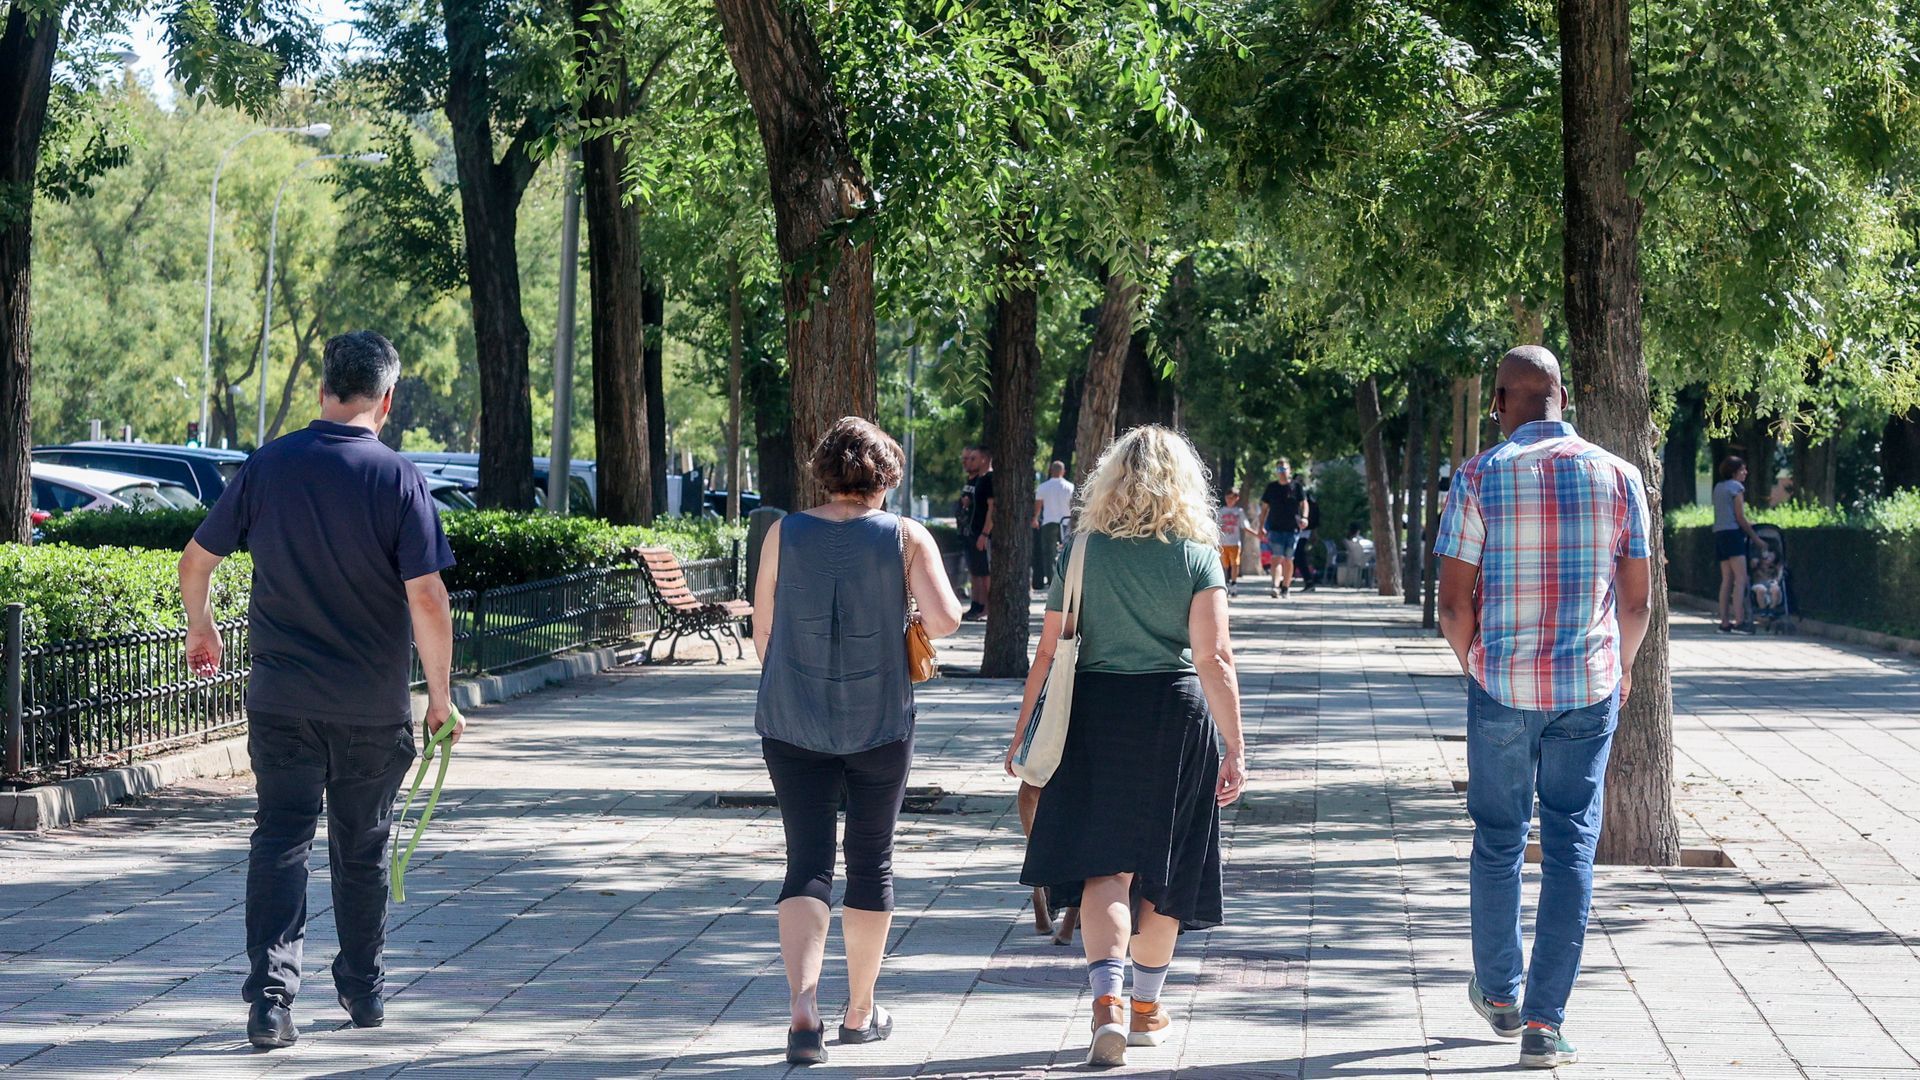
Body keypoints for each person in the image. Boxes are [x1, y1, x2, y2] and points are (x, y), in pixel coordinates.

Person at [176, 331, 461, 1050]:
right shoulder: (398, 478)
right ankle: (363, 990)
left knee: (280, 839)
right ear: (387, 400)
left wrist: (201, 631)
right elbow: (427, 597)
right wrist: (439, 697)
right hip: (370, 707)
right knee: (361, 847)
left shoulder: (267, 466)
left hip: (281, 700)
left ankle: (270, 1004)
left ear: (323, 390)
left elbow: (196, 561)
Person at [1434, 346, 1653, 1070]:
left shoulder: (1477, 477)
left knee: (1499, 838)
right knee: (1570, 848)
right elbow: (1638, 601)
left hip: (1501, 683)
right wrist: (1618, 668)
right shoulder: (1622, 477)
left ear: (1499, 400)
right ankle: (1543, 1024)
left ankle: (1499, 993)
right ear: (1564, 397)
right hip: (1587, 688)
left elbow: (1452, 604)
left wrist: (1479, 667)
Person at [1009, 425, 1247, 1068]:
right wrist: (1235, 744)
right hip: (1174, 714)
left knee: (1103, 868)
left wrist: (1024, 728)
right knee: (1166, 865)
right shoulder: (1197, 555)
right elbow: (1214, 658)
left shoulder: (1081, 550)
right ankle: (1146, 1008)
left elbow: (1049, 648)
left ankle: (1106, 1005)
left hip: (1092, 714)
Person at [753, 417, 964, 1066]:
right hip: (879, 720)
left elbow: (763, 631)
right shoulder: (906, 536)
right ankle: (860, 1011)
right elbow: (949, 620)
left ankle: (802, 1011)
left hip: (792, 719)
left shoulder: (783, 532)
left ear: (823, 470)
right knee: (871, 860)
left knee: (806, 861)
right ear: (885, 477)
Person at [1712, 455, 1762, 633]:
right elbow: (1740, 517)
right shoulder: (1736, 488)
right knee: (1741, 579)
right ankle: (1740, 621)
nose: (1745, 473)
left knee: (1726, 579)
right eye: (1742, 470)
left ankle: (1724, 622)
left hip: (1719, 533)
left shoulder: (1718, 488)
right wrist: (1756, 538)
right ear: (1734, 472)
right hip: (1733, 534)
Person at [1259, 461, 1309, 598]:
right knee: (1276, 558)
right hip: (1275, 528)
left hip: (1292, 529)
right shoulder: (1271, 487)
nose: (1281, 471)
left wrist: (1304, 517)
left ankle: (1286, 587)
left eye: (1284, 468)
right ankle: (1275, 586)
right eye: (1279, 468)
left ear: (1289, 470)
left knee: (1288, 559)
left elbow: (1304, 504)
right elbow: (1264, 509)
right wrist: (1261, 527)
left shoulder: (1296, 487)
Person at [957, 444, 996, 621]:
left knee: (985, 573)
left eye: (973, 458)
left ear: (984, 459)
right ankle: (977, 605)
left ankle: (987, 608)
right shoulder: (977, 479)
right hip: (971, 531)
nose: (969, 462)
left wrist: (985, 533)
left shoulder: (989, 479)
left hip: (982, 533)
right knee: (976, 571)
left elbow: (991, 508)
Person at [1033, 460, 1075, 591]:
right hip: (1066, 522)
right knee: (1067, 551)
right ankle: (1067, 580)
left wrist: (1034, 518)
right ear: (1063, 471)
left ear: (1051, 470)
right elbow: (1073, 505)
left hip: (1049, 522)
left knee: (1049, 554)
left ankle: (1052, 582)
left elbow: (1038, 506)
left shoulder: (1043, 487)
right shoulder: (1070, 487)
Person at [1216, 490, 1250, 597]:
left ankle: (1234, 584)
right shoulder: (1221, 511)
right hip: (1223, 543)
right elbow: (1216, 526)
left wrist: (1257, 534)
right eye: (1228, 498)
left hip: (1235, 543)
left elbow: (1245, 526)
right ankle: (1225, 583)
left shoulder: (1239, 511)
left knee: (1235, 564)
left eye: (1232, 498)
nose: (1230, 500)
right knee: (1224, 565)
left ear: (1237, 498)